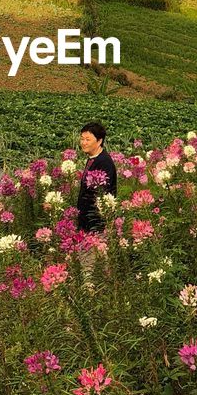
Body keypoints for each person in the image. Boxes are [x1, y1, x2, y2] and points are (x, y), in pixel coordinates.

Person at [75, 121, 116, 286]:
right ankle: (99, 288)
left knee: (91, 260)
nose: (83, 142)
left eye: (88, 139)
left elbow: (100, 193)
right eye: (82, 139)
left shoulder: (104, 162)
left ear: (99, 141)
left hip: (95, 221)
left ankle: (93, 291)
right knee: (93, 258)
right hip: (87, 219)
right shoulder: (93, 159)